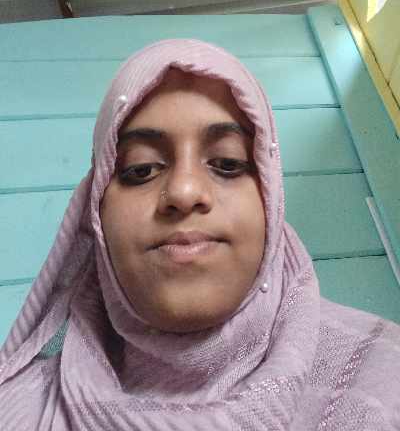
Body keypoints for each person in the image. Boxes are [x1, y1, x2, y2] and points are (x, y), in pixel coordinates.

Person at [0, 38, 399, 430]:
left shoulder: (385, 378)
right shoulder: (18, 412)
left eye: (228, 163)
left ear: (271, 201)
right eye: (141, 169)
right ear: (96, 215)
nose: (184, 192)